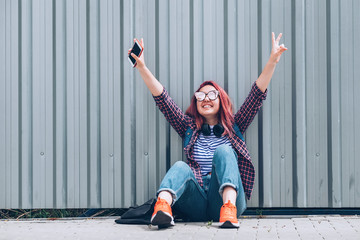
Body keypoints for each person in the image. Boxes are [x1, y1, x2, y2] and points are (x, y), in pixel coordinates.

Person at [129, 32, 287, 229]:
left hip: (224, 200)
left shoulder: (234, 126)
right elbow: (163, 99)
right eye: (200, 96)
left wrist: (272, 61)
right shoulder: (189, 127)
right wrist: (142, 67)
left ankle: (229, 209)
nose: (205, 99)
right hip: (196, 202)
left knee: (223, 151)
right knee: (180, 166)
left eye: (212, 94)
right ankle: (162, 209)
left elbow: (257, 95)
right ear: (196, 102)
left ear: (222, 100)